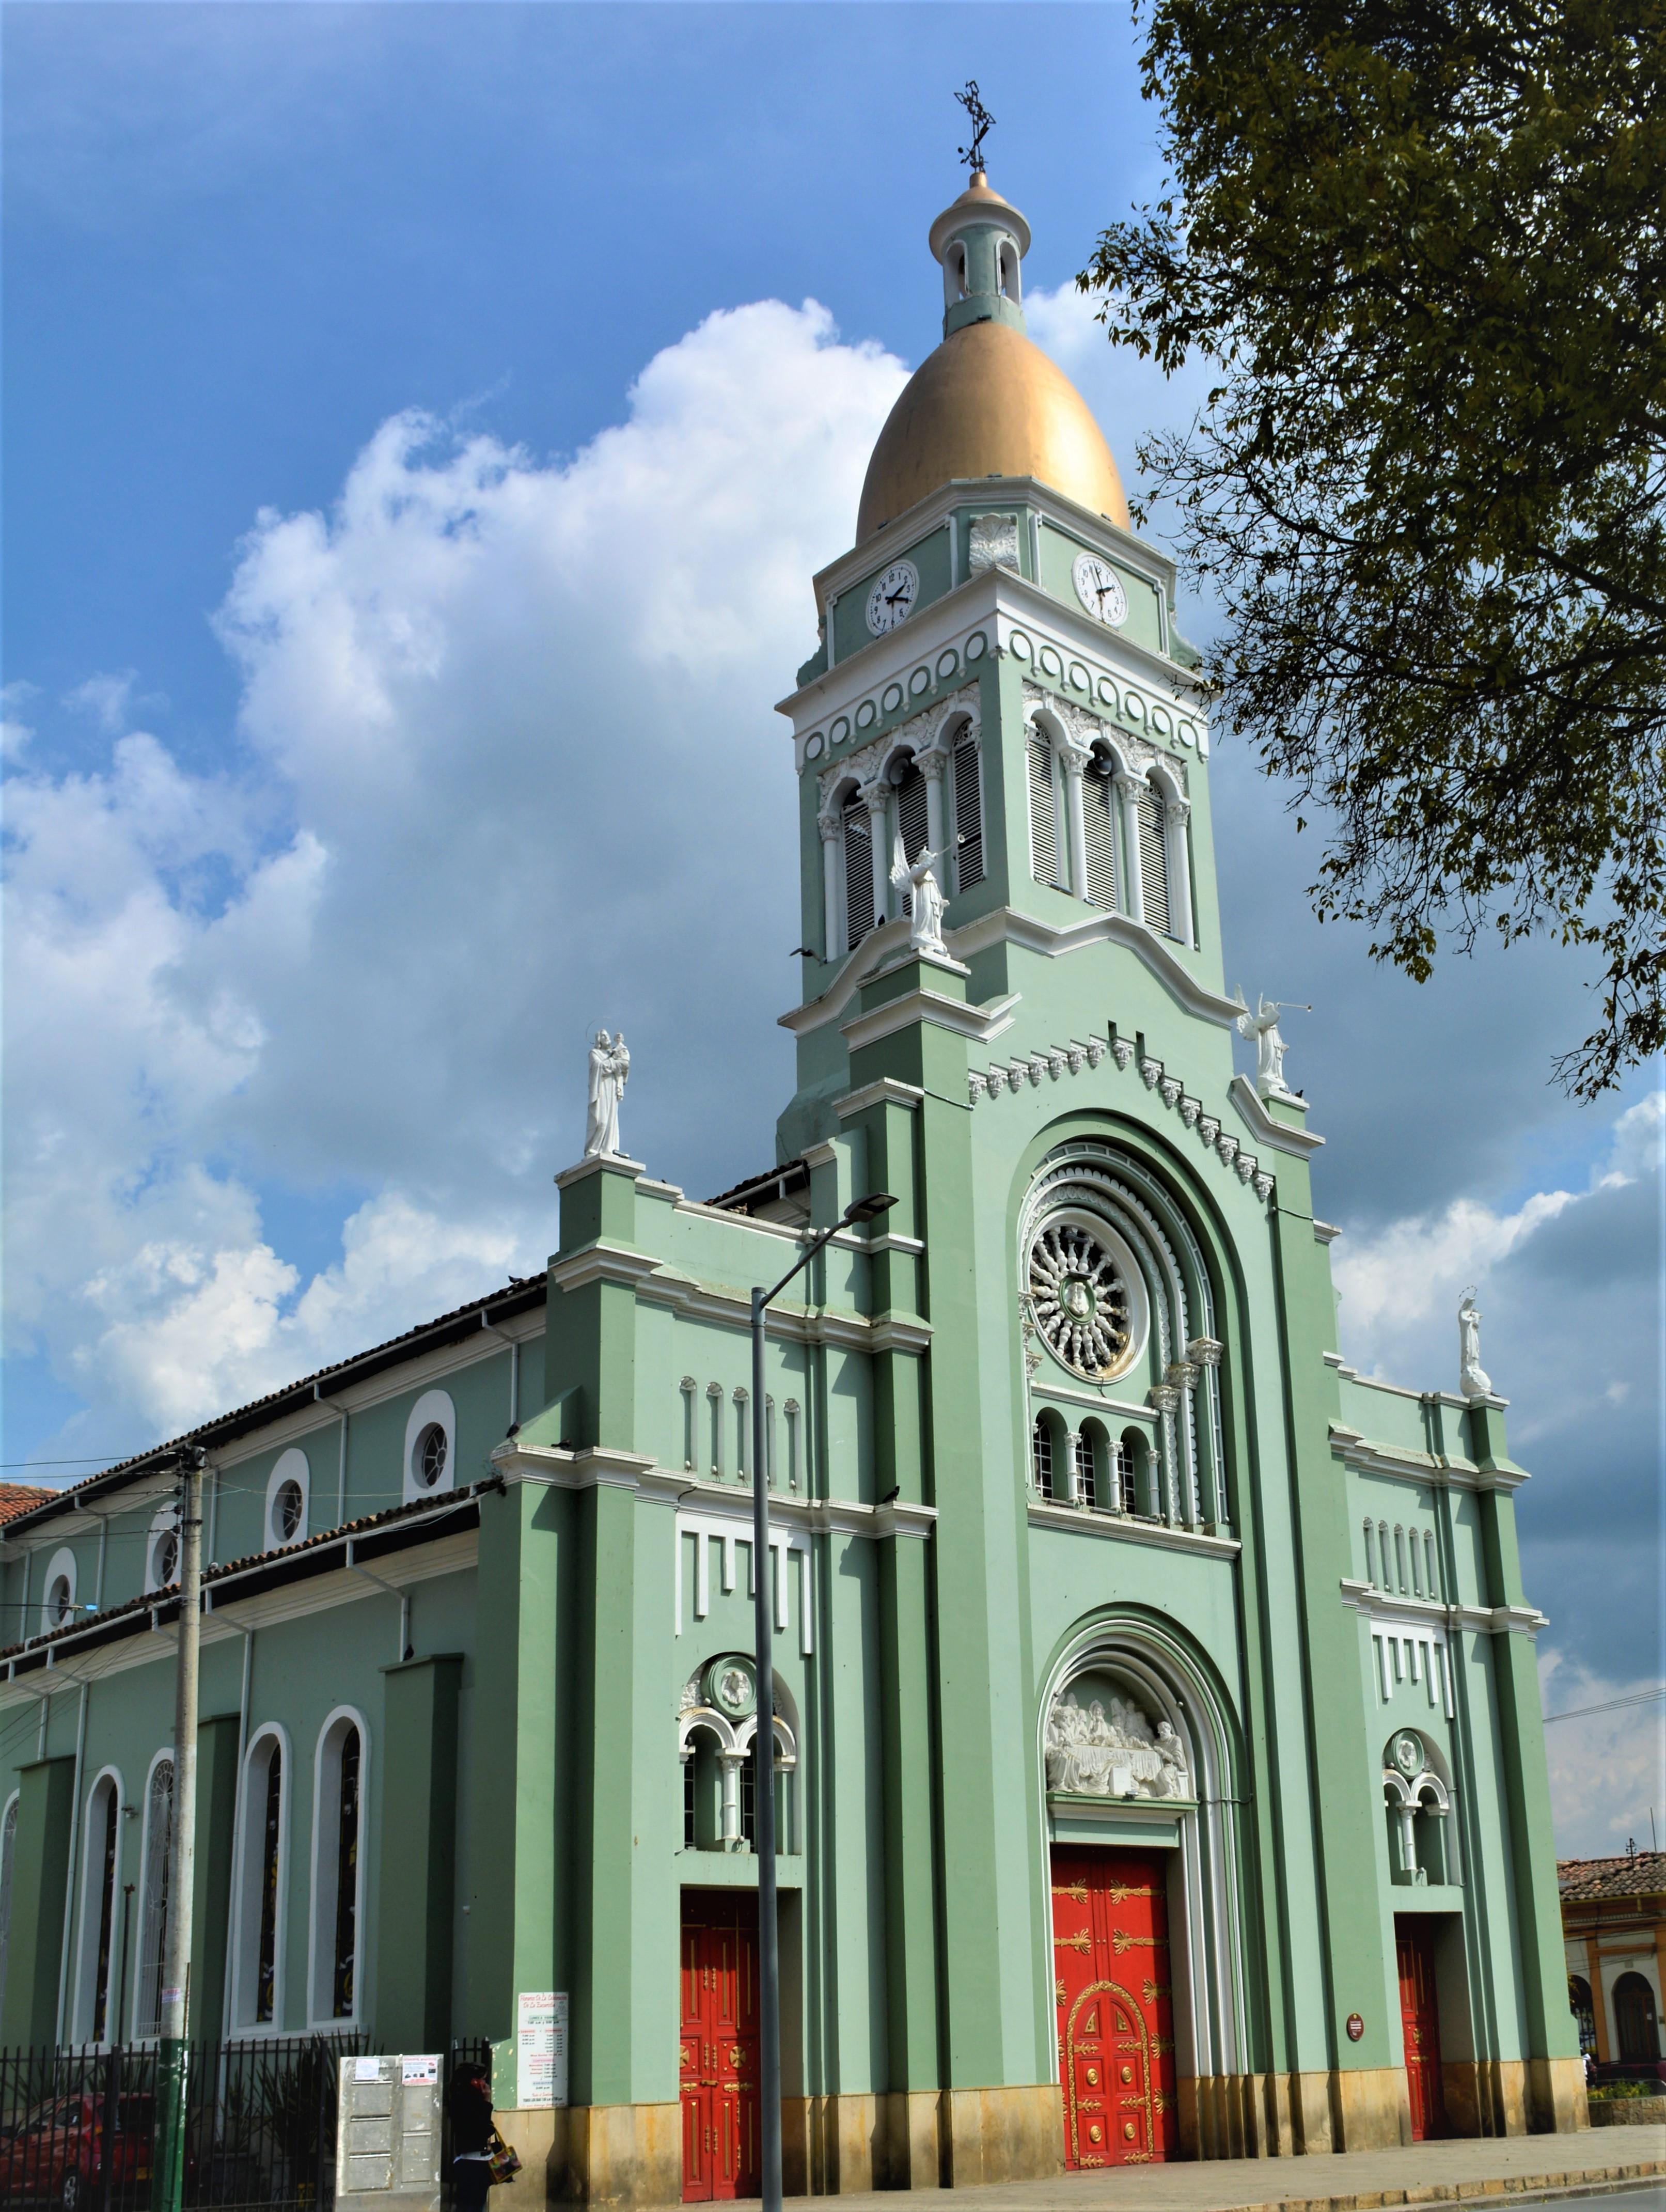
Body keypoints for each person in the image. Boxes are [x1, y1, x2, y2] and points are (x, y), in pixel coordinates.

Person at [449, 2061, 494, 2212]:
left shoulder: (461, 2099)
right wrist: (487, 2102)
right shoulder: (468, 2103)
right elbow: (483, 2129)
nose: (486, 2084)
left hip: (474, 2162)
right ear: (474, 2081)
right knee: (472, 2206)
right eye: (484, 2080)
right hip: (473, 2163)